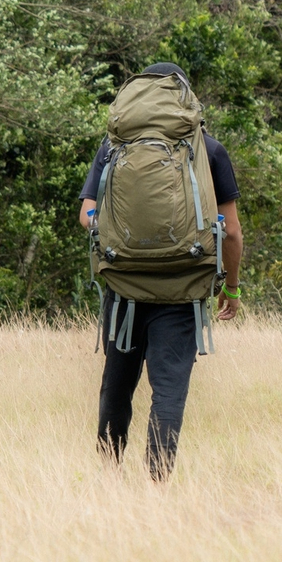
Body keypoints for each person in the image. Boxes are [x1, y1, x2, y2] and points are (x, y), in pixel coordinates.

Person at [78, 62, 242, 480]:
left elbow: (86, 214)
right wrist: (232, 288)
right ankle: (157, 484)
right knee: (168, 393)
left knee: (116, 388)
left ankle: (108, 474)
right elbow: (233, 232)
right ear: (184, 99)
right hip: (183, 288)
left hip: (125, 286)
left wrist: (116, 235)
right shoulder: (210, 150)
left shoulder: (113, 146)